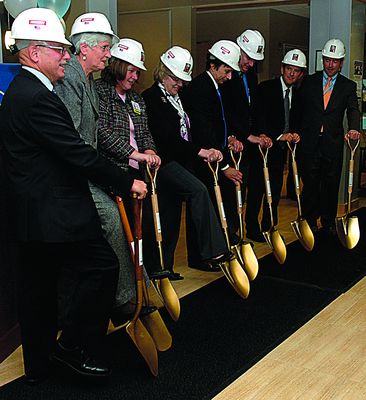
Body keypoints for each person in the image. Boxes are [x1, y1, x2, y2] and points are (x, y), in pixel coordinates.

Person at [0, 8, 147, 384]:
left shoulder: (31, 89)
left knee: (40, 292)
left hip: (39, 212)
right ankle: (71, 348)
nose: (67, 55)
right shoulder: (35, 96)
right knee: (100, 266)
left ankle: (41, 367)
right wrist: (125, 180)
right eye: (59, 49)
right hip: (48, 212)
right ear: (34, 53)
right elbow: (76, 151)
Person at [55, 15, 150, 325]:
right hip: (73, 178)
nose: (110, 55)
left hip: (89, 172)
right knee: (111, 218)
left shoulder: (87, 79)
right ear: (85, 48)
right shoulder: (70, 78)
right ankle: (124, 299)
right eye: (106, 48)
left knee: (121, 220)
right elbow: (71, 142)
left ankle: (136, 291)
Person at [142, 46, 228, 275]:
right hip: (164, 162)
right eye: (176, 79)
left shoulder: (178, 99)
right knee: (198, 190)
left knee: (170, 216)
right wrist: (200, 151)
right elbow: (167, 138)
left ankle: (163, 267)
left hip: (182, 162)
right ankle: (214, 250)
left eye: (182, 81)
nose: (179, 85)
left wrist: (206, 148)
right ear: (163, 72)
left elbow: (190, 130)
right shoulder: (151, 98)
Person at [93, 38, 166, 281]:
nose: (135, 77)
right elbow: (101, 131)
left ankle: (143, 277)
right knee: (122, 235)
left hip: (137, 173)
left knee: (141, 230)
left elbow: (144, 132)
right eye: (132, 71)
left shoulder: (136, 99)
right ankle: (128, 284)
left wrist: (151, 151)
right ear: (119, 66)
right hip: (114, 173)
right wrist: (133, 153)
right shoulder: (99, 92)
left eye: (137, 72)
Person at [182, 40, 244, 254]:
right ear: (213, 65)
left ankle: (220, 244)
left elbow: (218, 122)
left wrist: (228, 139)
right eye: (226, 71)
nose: (229, 77)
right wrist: (226, 167)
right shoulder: (201, 88)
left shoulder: (215, 87)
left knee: (218, 206)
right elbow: (203, 130)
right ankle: (201, 255)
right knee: (202, 209)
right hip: (203, 158)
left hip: (217, 153)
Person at [297, 38, 361, 235]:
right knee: (310, 183)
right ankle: (309, 220)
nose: (330, 64)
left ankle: (328, 221)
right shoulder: (308, 81)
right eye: (327, 60)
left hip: (332, 143)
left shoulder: (347, 86)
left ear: (341, 63)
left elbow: (353, 110)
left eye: (335, 61)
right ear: (322, 60)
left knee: (331, 184)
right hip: (309, 142)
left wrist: (354, 128)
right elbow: (298, 109)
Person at [245, 49, 306, 239]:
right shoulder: (265, 88)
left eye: (296, 70)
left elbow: (297, 120)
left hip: (280, 152)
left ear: (300, 74)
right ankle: (253, 229)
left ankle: (269, 225)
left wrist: (295, 134)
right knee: (257, 190)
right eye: (289, 68)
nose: (291, 73)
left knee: (275, 189)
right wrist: (279, 136)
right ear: (282, 68)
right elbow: (258, 118)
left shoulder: (298, 94)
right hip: (263, 148)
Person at [219, 29, 272, 242]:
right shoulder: (225, 75)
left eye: (254, 60)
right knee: (234, 188)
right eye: (248, 58)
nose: (250, 63)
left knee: (255, 184)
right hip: (234, 141)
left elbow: (253, 106)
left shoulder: (250, 74)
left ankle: (251, 226)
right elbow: (226, 112)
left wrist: (259, 133)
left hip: (250, 140)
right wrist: (241, 135)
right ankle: (232, 232)